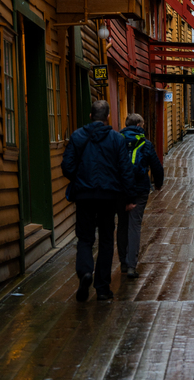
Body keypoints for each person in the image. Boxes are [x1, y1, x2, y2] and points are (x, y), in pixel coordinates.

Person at [61, 100, 137, 302]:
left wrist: (80, 179)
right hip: (108, 196)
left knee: (85, 238)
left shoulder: (77, 136)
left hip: (84, 196)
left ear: (90, 116)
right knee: (105, 239)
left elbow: (67, 166)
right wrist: (129, 197)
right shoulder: (116, 139)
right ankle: (102, 288)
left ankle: (85, 272)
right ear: (108, 117)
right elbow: (125, 170)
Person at [117, 113, 164, 278]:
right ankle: (131, 266)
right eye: (142, 125)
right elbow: (157, 166)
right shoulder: (146, 143)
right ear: (138, 126)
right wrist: (158, 183)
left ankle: (123, 262)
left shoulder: (117, 141)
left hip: (120, 189)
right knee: (134, 226)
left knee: (122, 224)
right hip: (140, 189)